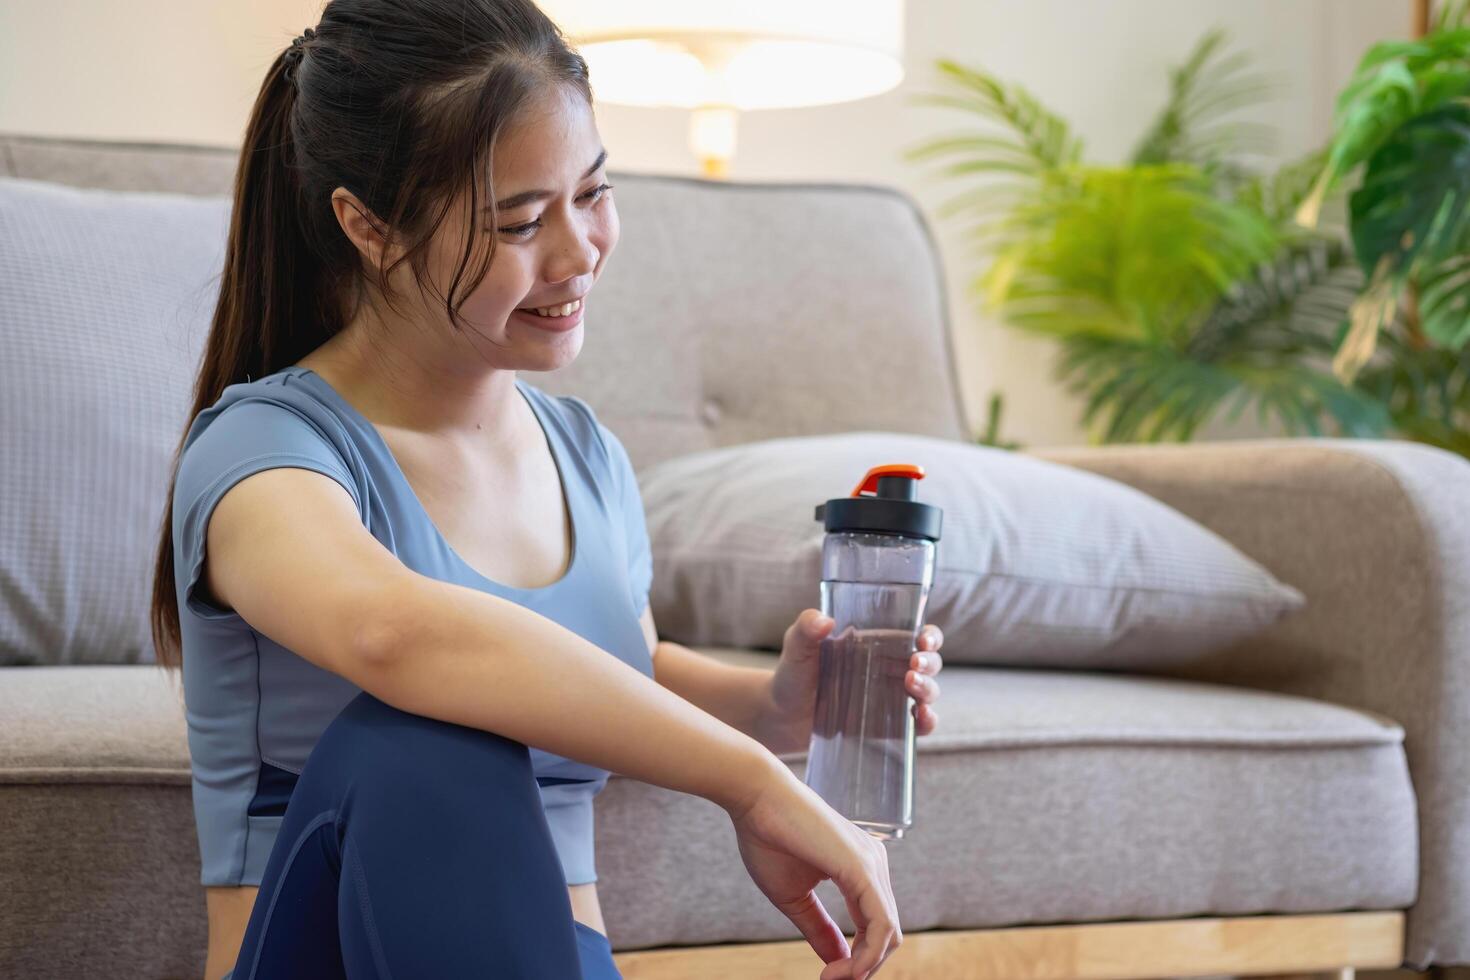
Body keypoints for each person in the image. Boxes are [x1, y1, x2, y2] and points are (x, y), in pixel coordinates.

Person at [146, 1, 947, 977]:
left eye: (593, 193)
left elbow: (618, 668)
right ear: (367, 225)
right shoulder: (264, 450)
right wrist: (749, 784)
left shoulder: (583, 451)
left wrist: (779, 707)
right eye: (522, 220)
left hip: (550, 955)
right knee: (432, 734)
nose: (579, 254)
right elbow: (394, 634)